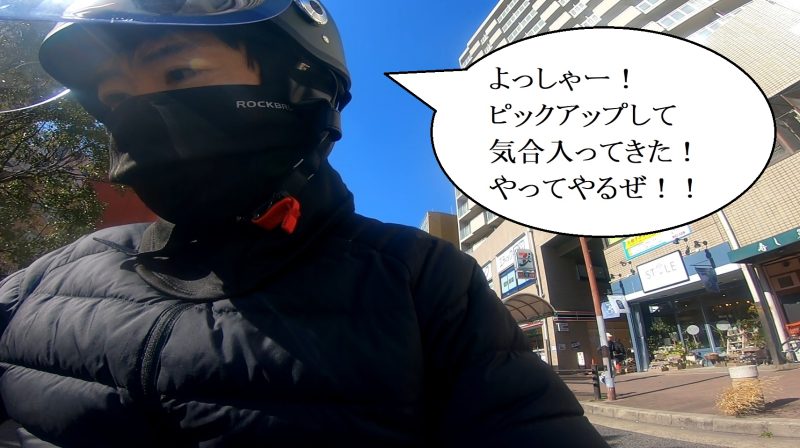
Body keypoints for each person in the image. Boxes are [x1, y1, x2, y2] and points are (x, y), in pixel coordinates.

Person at [0, 1, 609, 446]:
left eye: (180, 74)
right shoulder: (52, 276)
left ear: (300, 88)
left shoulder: (419, 280)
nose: (137, 115)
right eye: (115, 99)